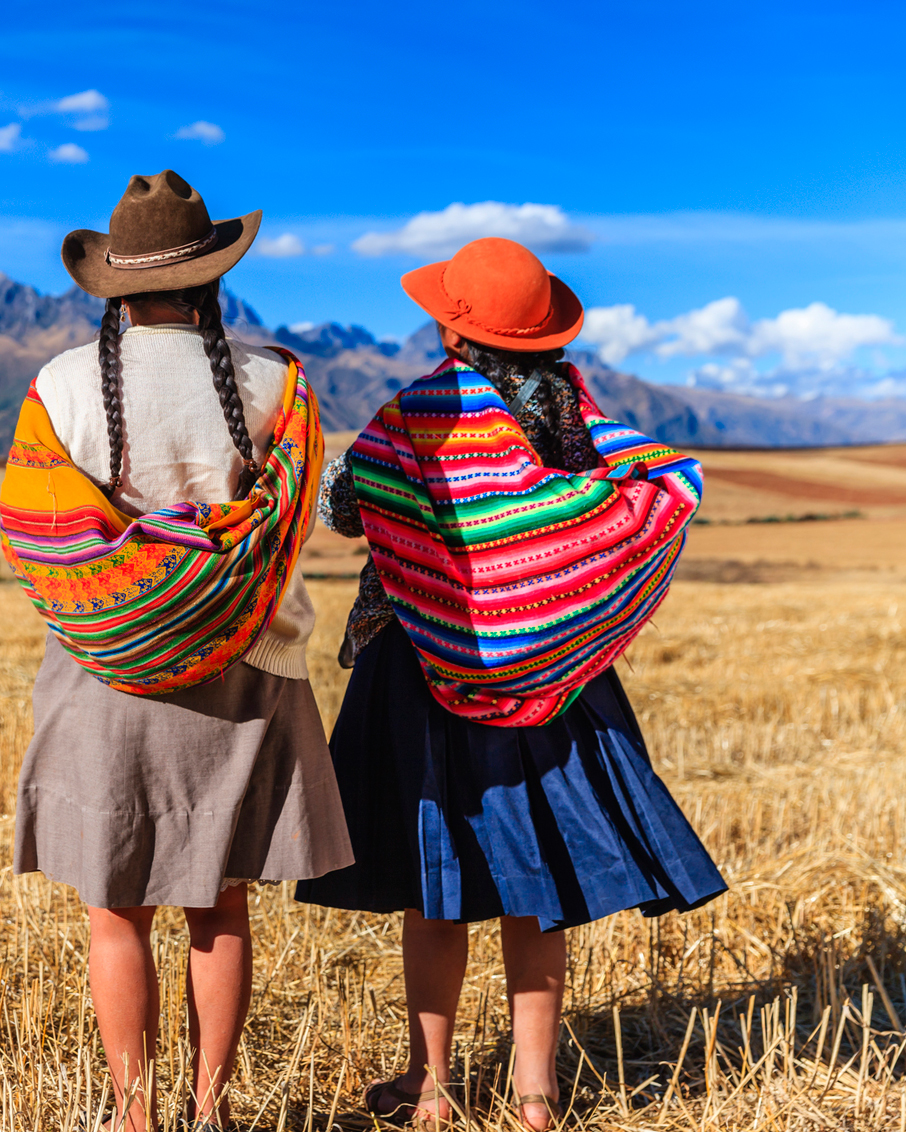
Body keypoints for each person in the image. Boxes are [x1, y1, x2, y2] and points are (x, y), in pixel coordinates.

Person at [295, 238, 727, 1129]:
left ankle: (435, 1088)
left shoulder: (416, 412)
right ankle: (537, 1093)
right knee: (538, 891)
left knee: (435, 887)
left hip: (418, 667)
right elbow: (630, 498)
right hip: (557, 683)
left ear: (450, 323)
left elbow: (345, 505)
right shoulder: (577, 415)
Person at [0, 170, 352, 1132]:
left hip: (102, 672)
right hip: (246, 673)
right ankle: (212, 1106)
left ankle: (133, 1113)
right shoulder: (277, 386)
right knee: (220, 907)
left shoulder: (60, 387)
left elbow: (34, 535)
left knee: (116, 909)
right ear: (212, 280)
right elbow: (303, 522)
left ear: (112, 285)